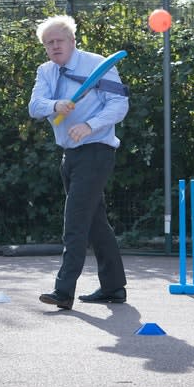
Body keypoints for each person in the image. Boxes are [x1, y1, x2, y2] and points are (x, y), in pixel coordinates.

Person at [28, 15, 129, 309]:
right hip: (69, 154)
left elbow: (119, 105)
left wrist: (90, 125)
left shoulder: (98, 64)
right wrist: (56, 105)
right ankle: (113, 287)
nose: (55, 46)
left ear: (73, 41)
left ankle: (63, 291)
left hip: (96, 150)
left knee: (74, 221)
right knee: (96, 223)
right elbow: (35, 106)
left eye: (59, 40)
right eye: (49, 43)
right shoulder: (46, 72)